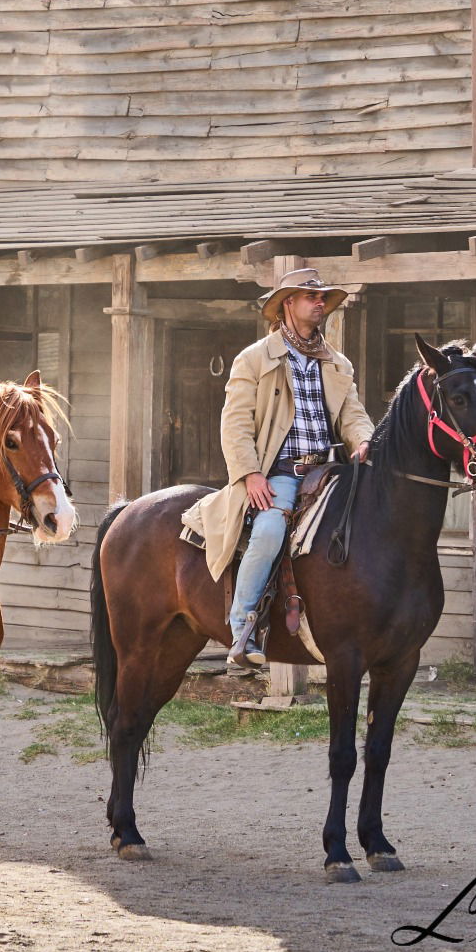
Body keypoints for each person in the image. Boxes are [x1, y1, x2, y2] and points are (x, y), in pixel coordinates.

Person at [181, 269, 374, 675]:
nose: (319, 302)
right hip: (281, 472)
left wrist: (363, 441)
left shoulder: (337, 364)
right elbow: (234, 424)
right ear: (288, 303)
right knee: (269, 530)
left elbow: (353, 415)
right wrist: (250, 475)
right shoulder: (254, 359)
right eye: (310, 296)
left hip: (329, 472)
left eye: (323, 297)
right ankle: (243, 630)